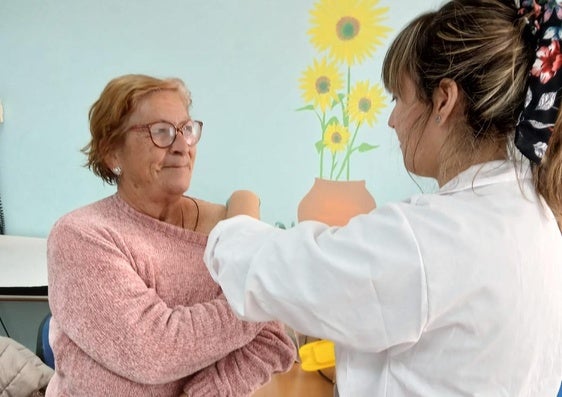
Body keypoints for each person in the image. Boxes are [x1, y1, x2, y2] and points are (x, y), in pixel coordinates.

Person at [203, 1, 562, 396]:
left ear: (443, 99)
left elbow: (279, 272)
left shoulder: (430, 239)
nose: (392, 119)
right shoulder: (538, 216)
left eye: (398, 97)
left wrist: (234, 215)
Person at [46, 74, 295, 397]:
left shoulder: (229, 227)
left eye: (186, 130)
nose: (181, 147)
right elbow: (152, 351)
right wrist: (258, 294)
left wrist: (207, 392)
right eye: (160, 132)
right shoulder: (81, 236)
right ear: (112, 153)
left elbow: (272, 340)